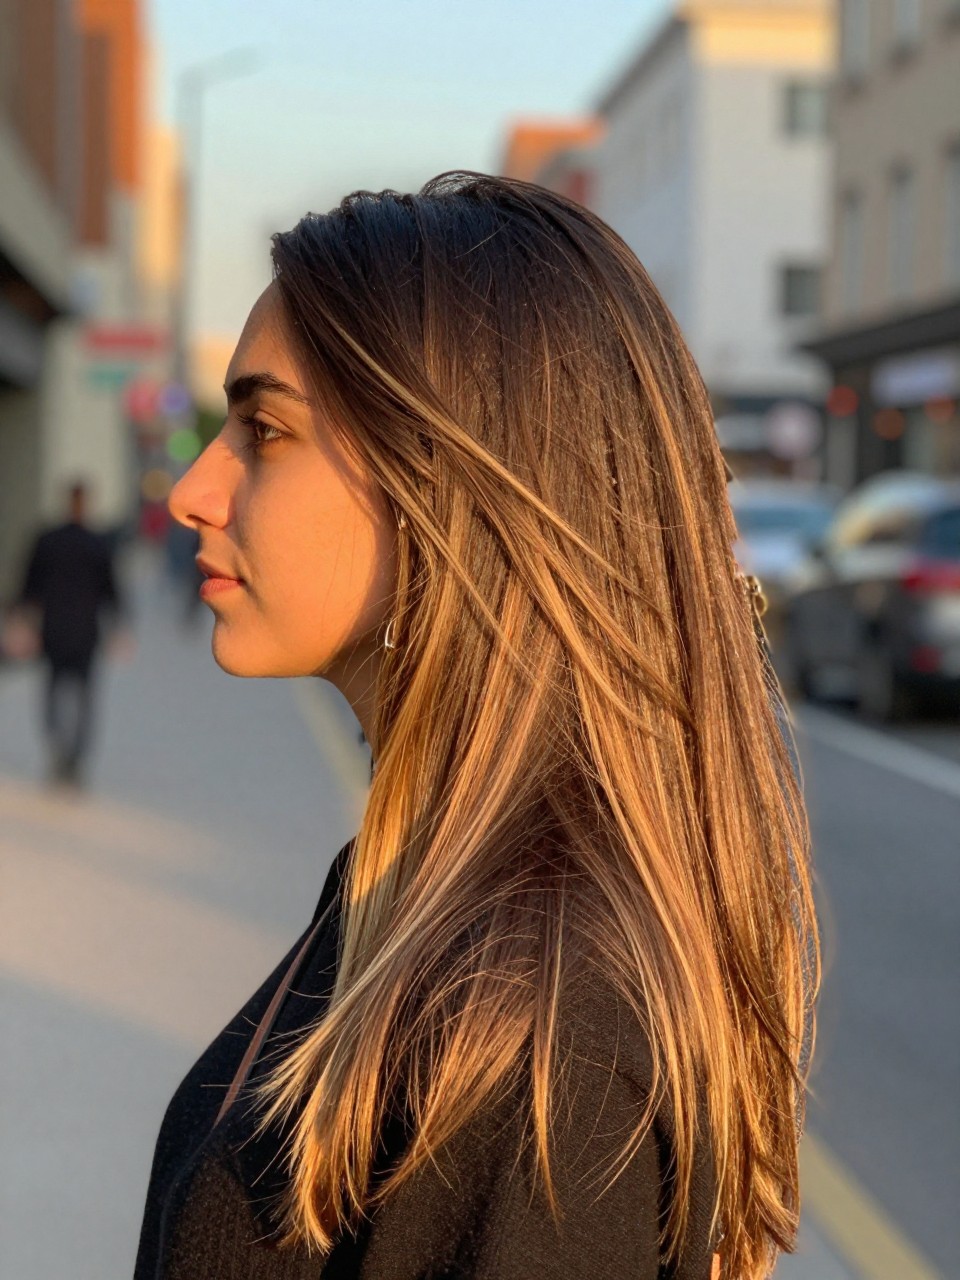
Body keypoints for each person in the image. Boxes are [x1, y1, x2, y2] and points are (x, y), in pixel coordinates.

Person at [135, 173, 819, 1280]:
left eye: (263, 430)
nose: (194, 490)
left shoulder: (532, 1012)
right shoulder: (430, 885)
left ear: (445, 482)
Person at [9, 478, 134, 786]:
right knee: (84, 696)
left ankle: (57, 748)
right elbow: (111, 590)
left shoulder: (48, 540)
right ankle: (75, 758)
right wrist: (119, 624)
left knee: (53, 691)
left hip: (53, 629)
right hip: (85, 632)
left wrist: (20, 617)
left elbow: (28, 585)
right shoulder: (97, 543)